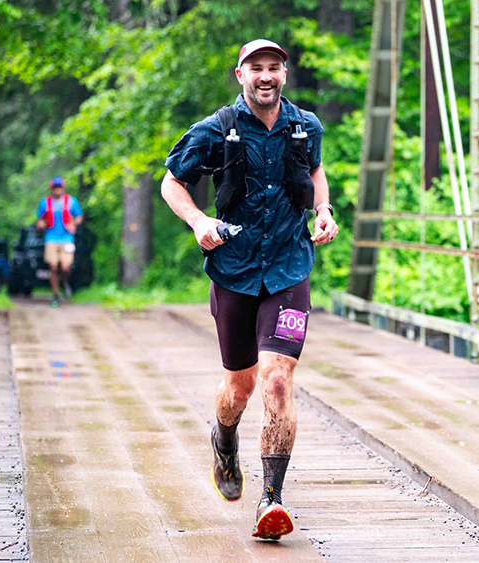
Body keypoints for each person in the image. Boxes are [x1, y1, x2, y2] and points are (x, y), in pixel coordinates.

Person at [161, 39, 337, 541]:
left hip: (288, 269)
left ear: (284, 73)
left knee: (277, 379)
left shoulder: (306, 126)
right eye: (256, 67)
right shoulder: (216, 130)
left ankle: (271, 499)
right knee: (239, 388)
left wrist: (323, 210)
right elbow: (171, 183)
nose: (266, 75)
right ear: (240, 74)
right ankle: (224, 439)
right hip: (234, 271)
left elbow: (315, 170)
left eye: (274, 67)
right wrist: (199, 221)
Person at [34, 176, 83, 307]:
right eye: (55, 187)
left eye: (59, 187)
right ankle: (55, 294)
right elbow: (39, 218)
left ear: (63, 188)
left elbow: (79, 216)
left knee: (66, 267)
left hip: (67, 238)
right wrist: (40, 224)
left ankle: (64, 281)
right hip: (51, 238)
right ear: (51, 189)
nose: (57, 190)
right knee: (53, 267)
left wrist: (74, 224)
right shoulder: (45, 203)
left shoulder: (71, 201)